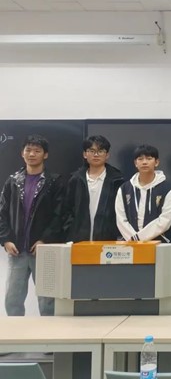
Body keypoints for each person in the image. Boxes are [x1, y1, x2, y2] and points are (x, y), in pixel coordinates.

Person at [0, 134, 64, 316]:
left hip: (43, 250)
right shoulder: (12, 181)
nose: (32, 154)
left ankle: (49, 332)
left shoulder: (54, 182)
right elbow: (2, 214)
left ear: (45, 155)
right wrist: (6, 240)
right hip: (17, 249)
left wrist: (45, 239)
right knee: (13, 298)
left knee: (47, 300)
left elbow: (60, 215)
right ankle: (15, 332)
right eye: (28, 150)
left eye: (37, 151)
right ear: (22, 153)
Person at [62, 135, 124, 242]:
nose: (96, 155)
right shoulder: (76, 179)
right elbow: (67, 210)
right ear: (85, 154)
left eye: (100, 151)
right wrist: (70, 231)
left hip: (108, 239)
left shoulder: (117, 180)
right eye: (91, 151)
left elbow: (122, 212)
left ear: (107, 155)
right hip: (79, 240)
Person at [115, 144, 171, 241]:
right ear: (135, 163)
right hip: (129, 242)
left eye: (149, 158)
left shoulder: (167, 189)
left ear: (156, 162)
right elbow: (120, 219)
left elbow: (166, 219)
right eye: (140, 159)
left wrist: (139, 238)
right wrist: (133, 239)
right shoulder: (124, 189)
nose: (144, 162)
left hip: (158, 242)